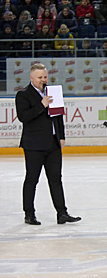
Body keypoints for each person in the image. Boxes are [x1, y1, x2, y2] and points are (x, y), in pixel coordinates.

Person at [15, 63, 81, 226]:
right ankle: (29, 214)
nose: (43, 80)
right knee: (32, 179)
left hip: (53, 143)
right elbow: (24, 117)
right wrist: (42, 105)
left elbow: (59, 115)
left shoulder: (53, 92)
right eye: (40, 78)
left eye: (45, 77)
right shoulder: (23, 95)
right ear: (32, 78)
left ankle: (62, 213)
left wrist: (61, 136)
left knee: (56, 179)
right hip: (34, 145)